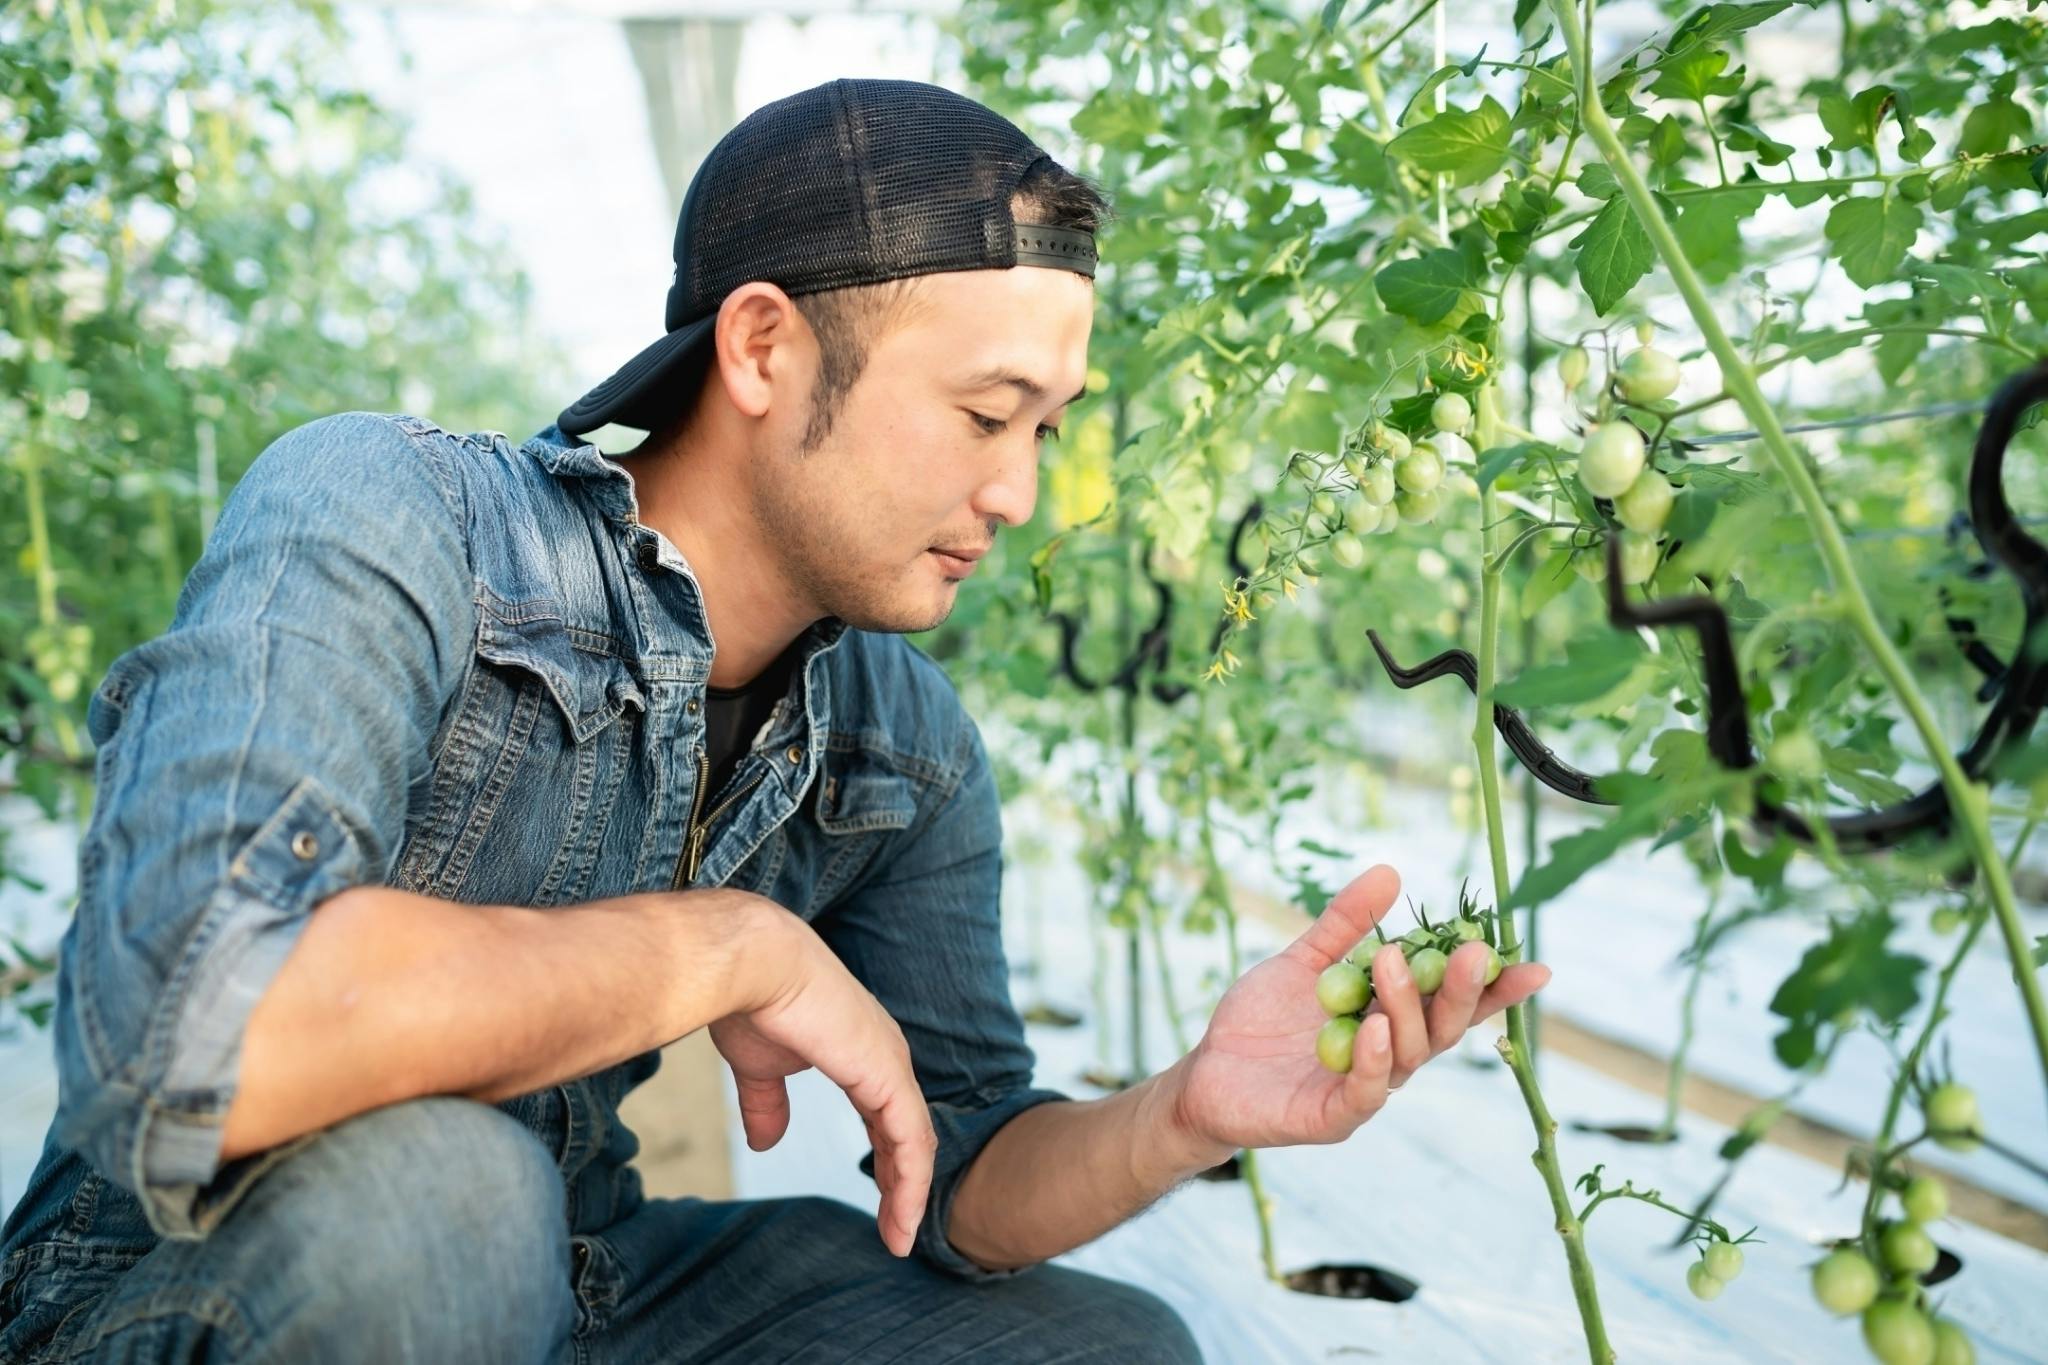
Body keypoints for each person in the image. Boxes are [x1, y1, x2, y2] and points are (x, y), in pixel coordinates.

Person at [0, 78, 1548, 1363]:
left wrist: (1187, 1114)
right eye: (985, 414)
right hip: (194, 1278)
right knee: (446, 1192)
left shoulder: (900, 739)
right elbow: (191, 1035)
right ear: (760, 347)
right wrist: (723, 942)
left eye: (1047, 431)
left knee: (1106, 1345)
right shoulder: (401, 517)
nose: (1016, 491)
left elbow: (965, 1174)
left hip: (581, 1280)